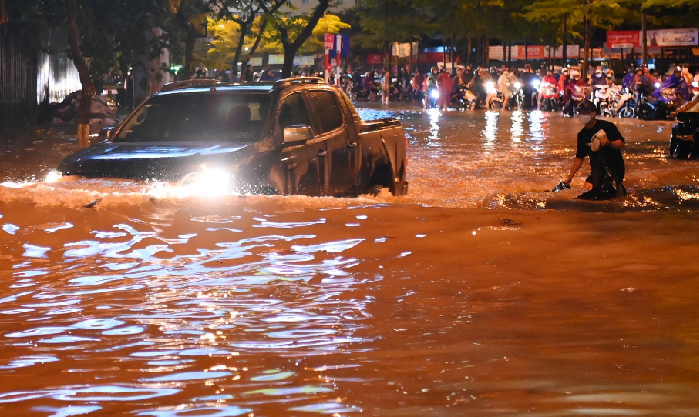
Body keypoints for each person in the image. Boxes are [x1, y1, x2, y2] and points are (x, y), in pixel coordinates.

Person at [563, 100, 626, 200]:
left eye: (585, 113)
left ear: (593, 114)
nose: (582, 115)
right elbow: (579, 158)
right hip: (597, 169)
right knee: (587, 190)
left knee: (609, 195)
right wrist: (569, 178)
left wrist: (609, 143)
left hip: (614, 167)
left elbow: (621, 143)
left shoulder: (607, 126)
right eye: (580, 113)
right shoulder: (582, 135)